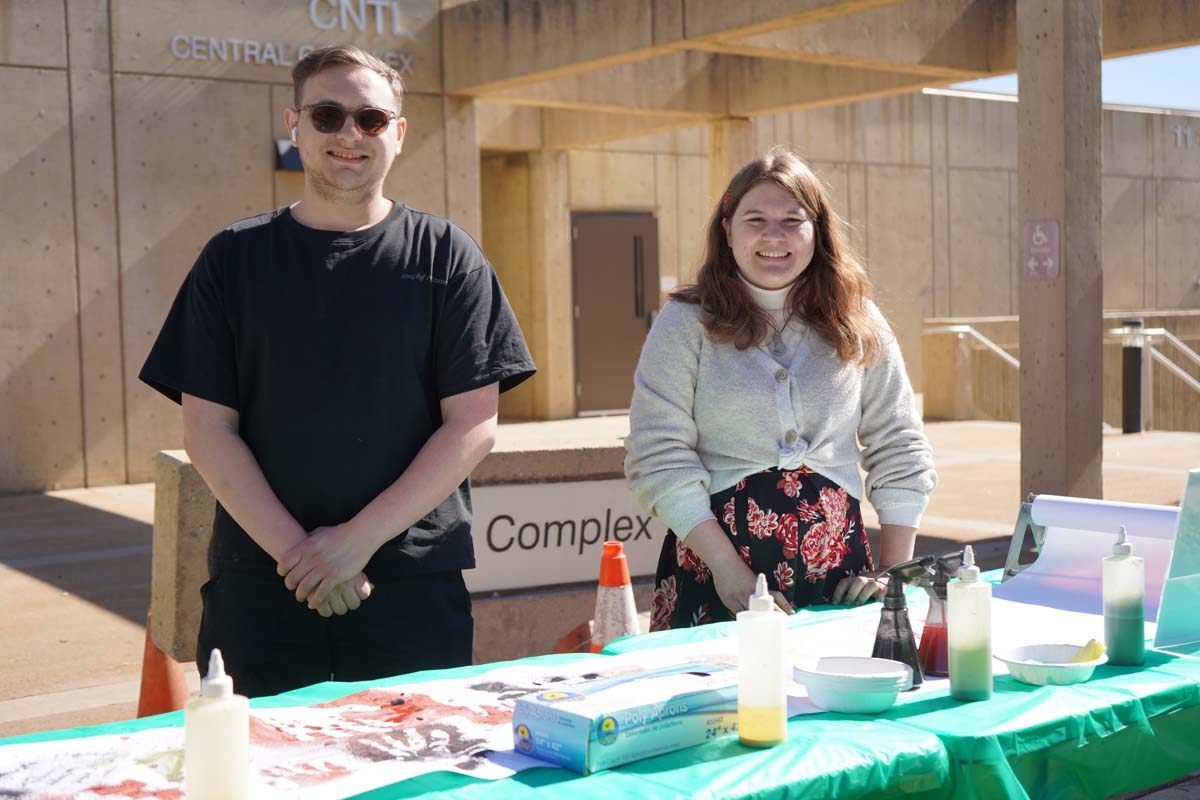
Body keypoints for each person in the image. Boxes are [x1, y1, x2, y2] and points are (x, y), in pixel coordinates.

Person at [139, 45, 535, 696]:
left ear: (398, 134)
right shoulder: (232, 260)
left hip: (410, 581)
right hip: (260, 581)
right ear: (294, 126)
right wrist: (305, 558)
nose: (350, 134)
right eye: (328, 115)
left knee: (413, 782)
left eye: (371, 119)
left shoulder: (448, 258)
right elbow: (208, 430)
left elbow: (473, 426)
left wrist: (353, 544)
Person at [625, 147, 936, 630]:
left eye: (793, 219)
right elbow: (657, 453)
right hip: (717, 570)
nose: (774, 235)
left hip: (839, 572)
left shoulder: (857, 320)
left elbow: (898, 443)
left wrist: (894, 574)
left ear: (818, 232)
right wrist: (728, 570)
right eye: (755, 219)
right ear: (727, 229)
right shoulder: (685, 322)